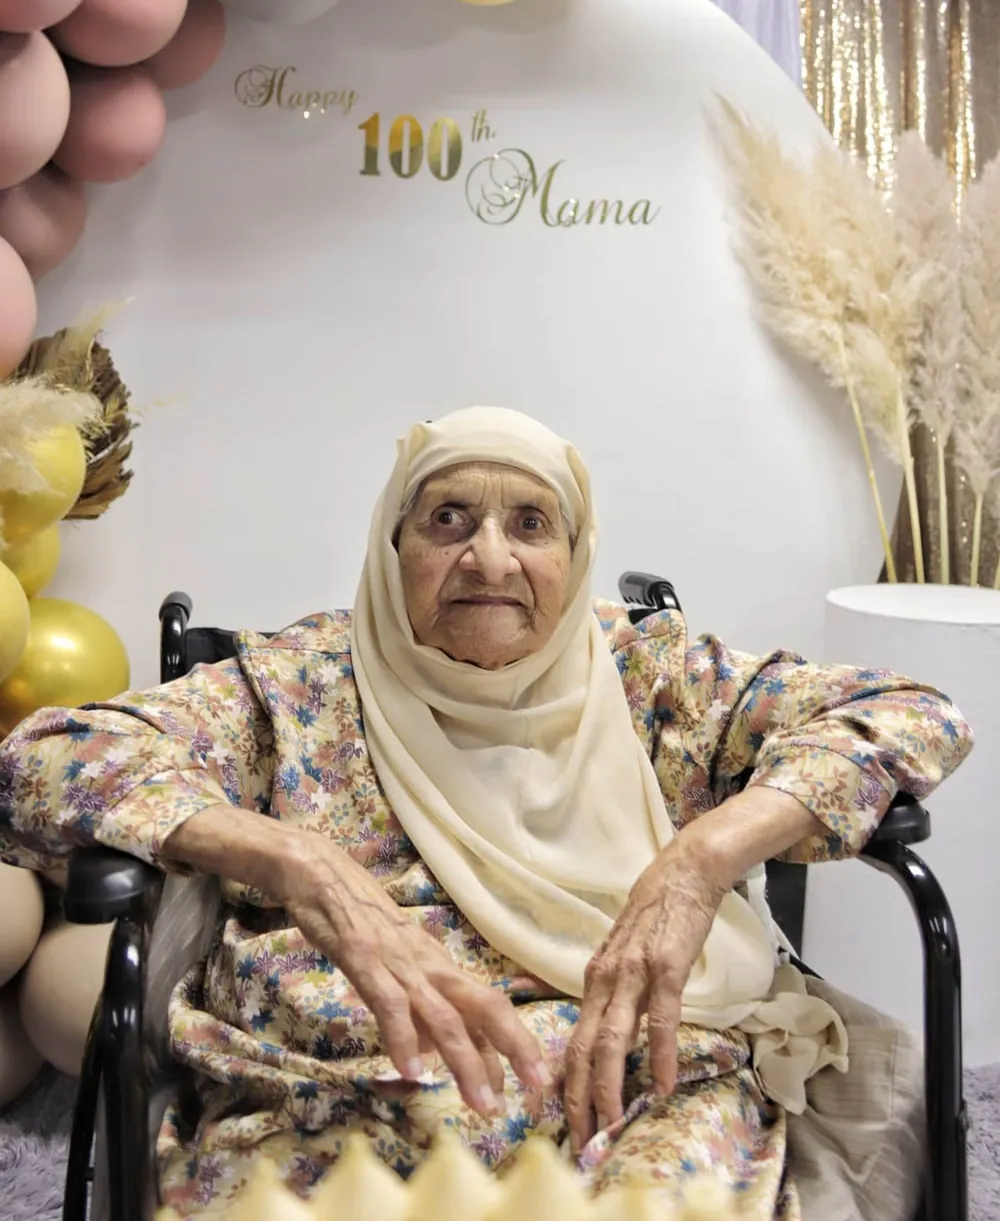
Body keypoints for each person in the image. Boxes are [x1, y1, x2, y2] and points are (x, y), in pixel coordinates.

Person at [0, 408, 973, 1220]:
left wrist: (701, 858)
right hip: (333, 1104)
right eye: (449, 519)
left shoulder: (653, 678)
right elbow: (44, 757)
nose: (489, 558)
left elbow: (911, 713)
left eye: (531, 524)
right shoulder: (301, 685)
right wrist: (295, 859)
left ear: (576, 552)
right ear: (394, 548)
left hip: (631, 1100)